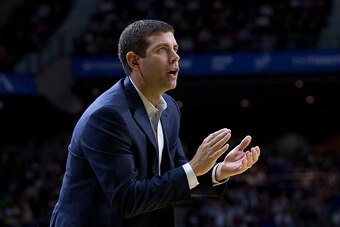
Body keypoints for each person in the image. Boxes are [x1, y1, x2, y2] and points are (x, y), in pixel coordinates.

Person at [49, 19, 261, 227]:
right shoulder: (107, 116)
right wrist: (194, 168)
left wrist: (218, 171)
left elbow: (175, 174)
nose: (175, 57)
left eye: (175, 48)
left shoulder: (169, 107)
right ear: (134, 61)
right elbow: (127, 199)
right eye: (162, 49)